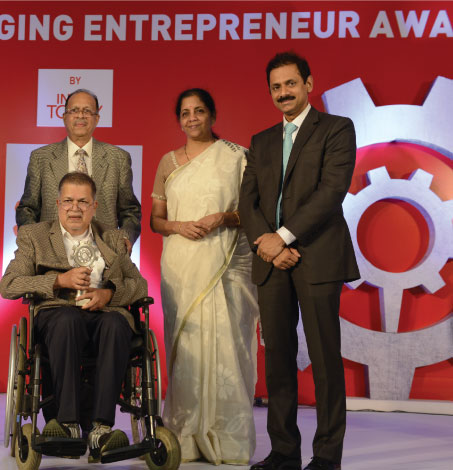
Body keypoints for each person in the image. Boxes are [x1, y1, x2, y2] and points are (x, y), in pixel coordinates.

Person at [238, 52, 359, 470]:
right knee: (278, 360)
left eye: (290, 84)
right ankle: (284, 452)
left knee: (325, 361)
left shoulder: (337, 129)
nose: (283, 93)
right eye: (276, 87)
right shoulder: (261, 141)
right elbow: (248, 201)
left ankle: (326, 457)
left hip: (318, 256)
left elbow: (331, 191)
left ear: (308, 83)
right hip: (270, 262)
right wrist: (267, 244)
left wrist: (283, 237)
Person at [0, 171, 147, 462]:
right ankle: (67, 424)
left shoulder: (112, 238)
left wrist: (109, 294)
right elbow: (9, 285)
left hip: (104, 312)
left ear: (94, 206)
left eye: (82, 201)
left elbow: (139, 285)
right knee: (68, 319)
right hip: (58, 314)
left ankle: (101, 429)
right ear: (57, 204)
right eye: (68, 201)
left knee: (117, 324)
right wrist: (58, 281)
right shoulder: (35, 236)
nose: (74, 208)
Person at [151, 88, 259, 465]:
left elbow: (253, 212)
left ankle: (228, 438)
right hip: (181, 265)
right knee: (187, 348)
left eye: (199, 111)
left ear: (212, 115)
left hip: (226, 263)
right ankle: (185, 435)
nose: (192, 118)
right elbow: (156, 221)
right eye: (185, 113)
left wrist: (222, 218)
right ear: (179, 120)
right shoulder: (168, 162)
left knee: (229, 342)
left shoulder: (237, 157)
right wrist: (179, 226)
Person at [15, 89, 141, 252]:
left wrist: (124, 239)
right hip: (52, 254)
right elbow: (27, 209)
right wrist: (37, 243)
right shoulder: (41, 158)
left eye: (87, 111)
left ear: (97, 118)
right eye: (74, 110)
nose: (80, 115)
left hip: (104, 252)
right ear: (64, 117)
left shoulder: (118, 158)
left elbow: (130, 210)